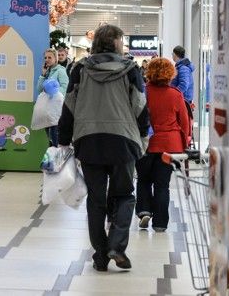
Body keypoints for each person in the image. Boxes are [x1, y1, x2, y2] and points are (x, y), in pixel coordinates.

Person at [59, 24, 150, 272]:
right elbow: (140, 107)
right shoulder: (130, 69)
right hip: (123, 140)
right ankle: (117, 246)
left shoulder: (79, 69)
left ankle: (100, 255)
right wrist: (143, 133)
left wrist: (63, 138)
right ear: (117, 43)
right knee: (124, 194)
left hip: (89, 142)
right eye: (122, 40)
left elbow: (69, 107)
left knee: (96, 200)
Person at [135, 58, 189, 232]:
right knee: (162, 185)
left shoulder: (142, 92)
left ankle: (144, 211)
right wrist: (185, 142)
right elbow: (184, 123)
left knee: (143, 180)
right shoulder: (175, 94)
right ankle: (160, 223)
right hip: (169, 145)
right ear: (170, 73)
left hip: (145, 143)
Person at [37, 48, 68, 147]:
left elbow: (65, 87)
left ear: (56, 58)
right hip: (47, 110)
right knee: (49, 138)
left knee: (55, 138)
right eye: (45, 57)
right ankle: (52, 159)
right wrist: (43, 74)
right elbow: (40, 88)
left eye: (49, 57)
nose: (46, 59)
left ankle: (57, 160)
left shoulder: (60, 71)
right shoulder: (47, 72)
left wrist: (53, 93)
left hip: (56, 110)